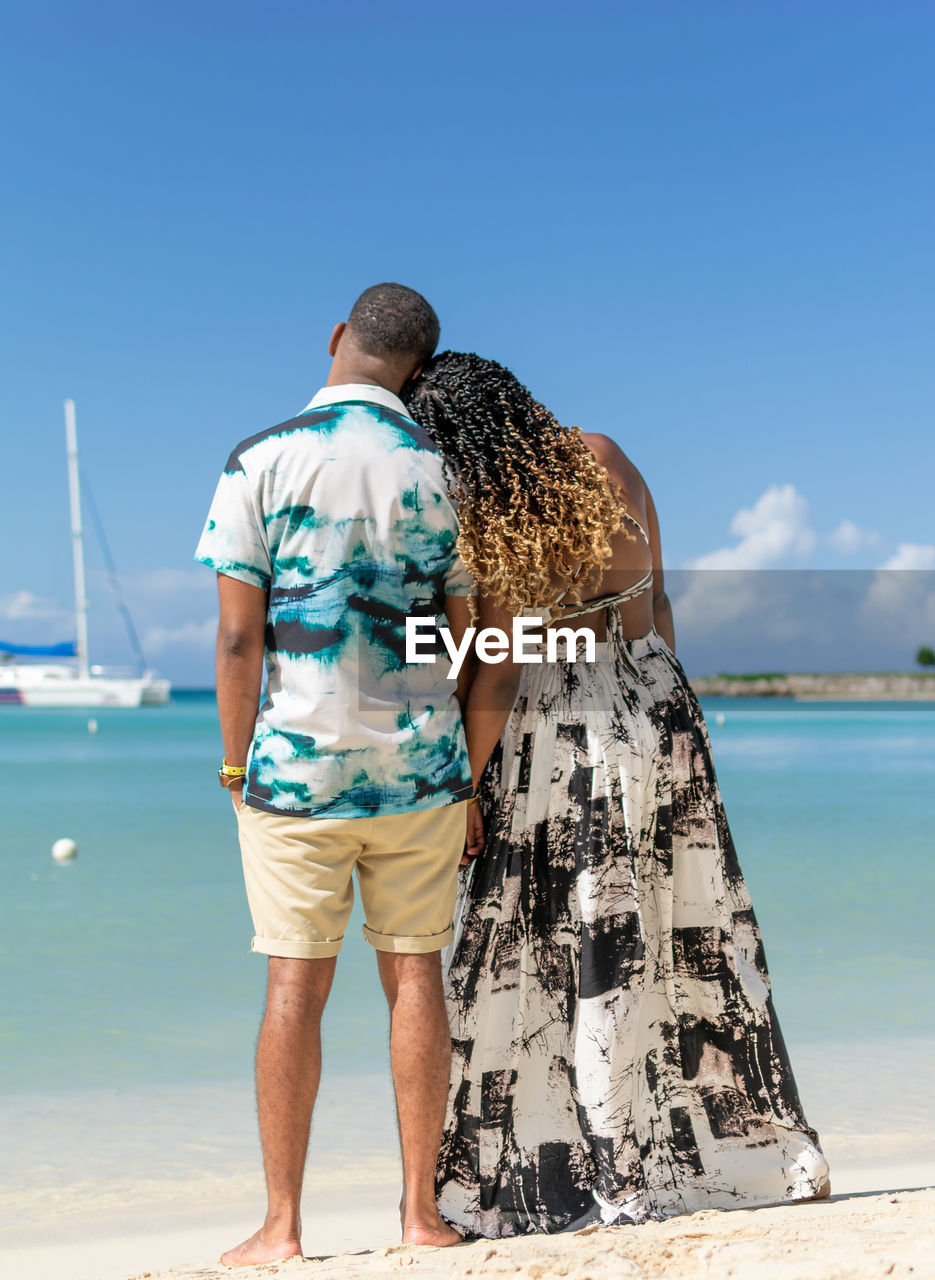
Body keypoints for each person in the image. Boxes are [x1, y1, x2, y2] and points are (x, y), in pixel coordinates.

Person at [403, 352, 830, 1237]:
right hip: (659, 702)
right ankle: (744, 1150)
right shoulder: (610, 455)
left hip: (570, 721)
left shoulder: (496, 512)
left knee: (570, 934)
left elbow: (495, 671)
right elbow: (661, 603)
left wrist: (465, 791)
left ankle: (597, 1161)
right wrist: (680, 726)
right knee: (685, 935)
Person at [194, 284, 474, 1265]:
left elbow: (237, 636)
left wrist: (237, 761)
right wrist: (466, 773)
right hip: (422, 772)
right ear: (419, 369)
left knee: (293, 987)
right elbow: (475, 639)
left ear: (335, 340)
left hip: (298, 774)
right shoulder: (448, 471)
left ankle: (281, 1227)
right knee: (414, 976)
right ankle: (418, 1217)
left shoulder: (259, 457)